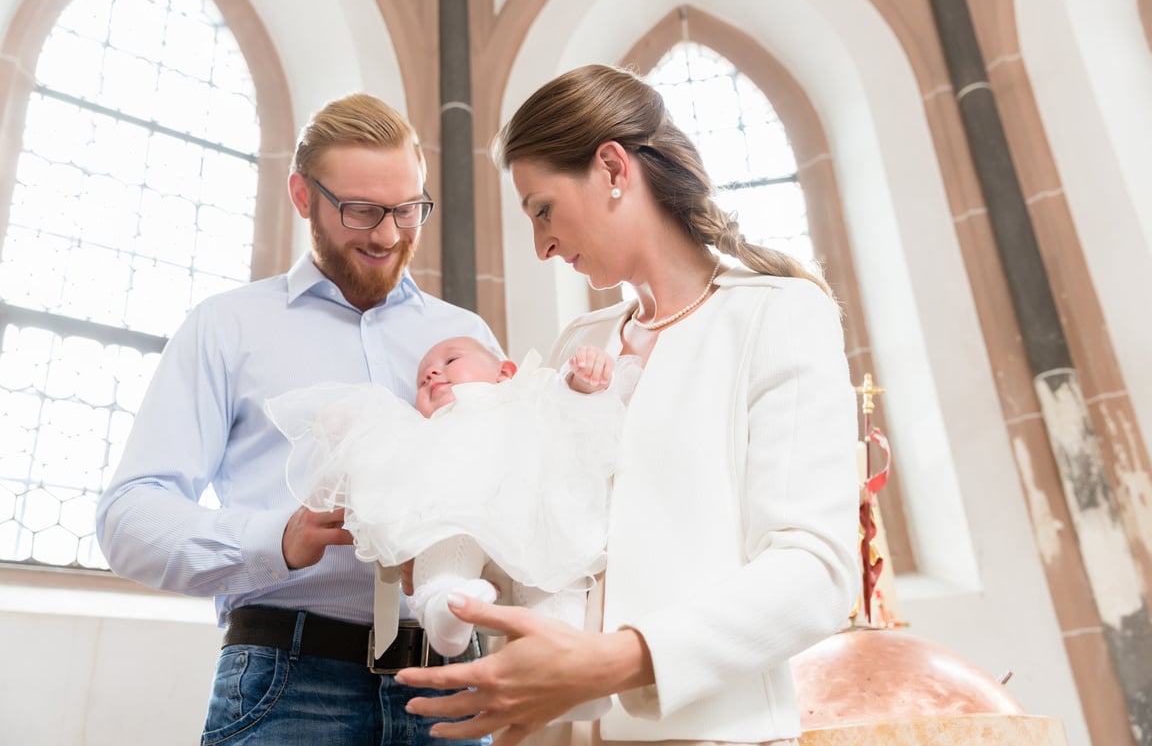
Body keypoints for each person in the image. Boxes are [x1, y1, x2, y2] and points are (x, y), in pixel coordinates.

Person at [394, 63, 861, 746]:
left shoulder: (776, 314)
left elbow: (815, 571)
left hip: (707, 733)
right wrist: (454, 544)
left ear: (613, 168)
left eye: (542, 209)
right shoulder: (578, 342)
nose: (542, 245)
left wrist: (614, 663)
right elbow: (552, 533)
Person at [95, 93, 499, 746]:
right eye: (362, 211)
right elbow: (129, 519)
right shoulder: (226, 327)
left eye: (407, 209)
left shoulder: (464, 337)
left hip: (450, 681)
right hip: (288, 681)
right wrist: (276, 540)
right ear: (302, 195)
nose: (389, 235)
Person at [265, 336, 634, 722]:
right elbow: (374, 454)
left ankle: (567, 674)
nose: (431, 373)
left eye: (451, 359)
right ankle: (446, 606)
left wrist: (584, 380)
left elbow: (571, 410)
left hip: (541, 524)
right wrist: (344, 429)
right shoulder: (425, 433)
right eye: (423, 381)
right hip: (458, 518)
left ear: (505, 373)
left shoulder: (529, 397)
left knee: (554, 589)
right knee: (439, 537)